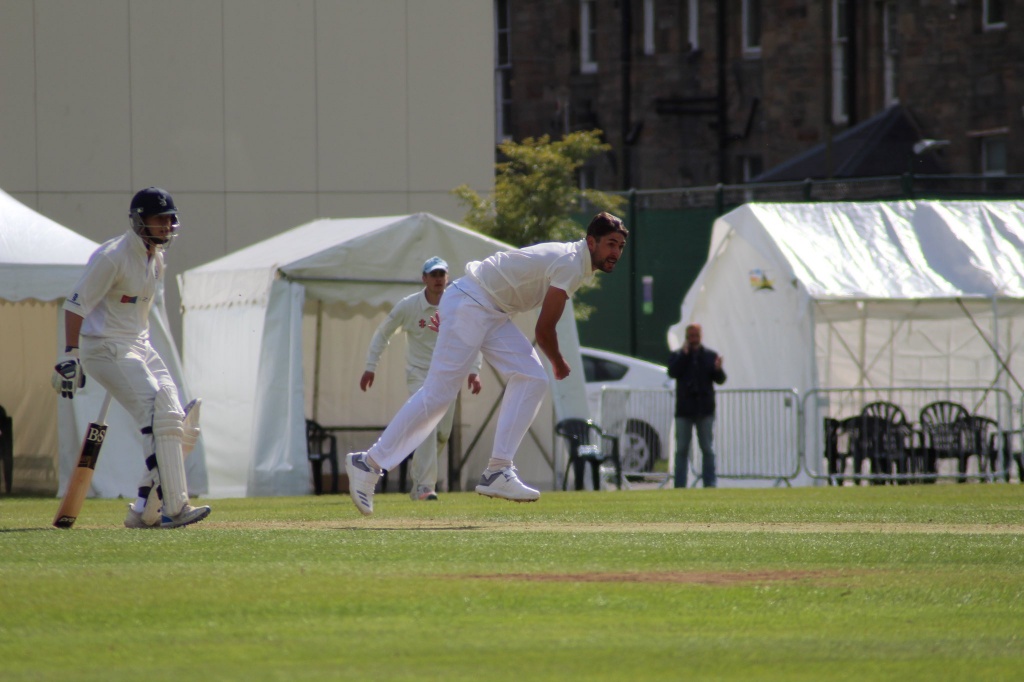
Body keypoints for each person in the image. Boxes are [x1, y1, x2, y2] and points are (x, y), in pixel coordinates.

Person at [345, 212, 628, 516]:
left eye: (621, 246)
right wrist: (558, 362)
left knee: (532, 377)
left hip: (489, 309)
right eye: (611, 244)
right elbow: (543, 332)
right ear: (591, 242)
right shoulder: (572, 264)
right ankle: (369, 463)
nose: (616, 253)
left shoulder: (576, 261)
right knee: (439, 395)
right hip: (472, 302)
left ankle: (498, 470)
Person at [52, 187, 210, 529]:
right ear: (140, 221)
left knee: (173, 418)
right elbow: (75, 305)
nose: (167, 226)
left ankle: (143, 509)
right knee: (159, 413)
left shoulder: (157, 259)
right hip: (105, 348)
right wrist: (70, 354)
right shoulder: (113, 256)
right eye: (160, 219)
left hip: (140, 345)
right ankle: (175, 507)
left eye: (170, 219)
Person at [359, 256, 482, 501]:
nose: (437, 279)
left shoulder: (457, 304)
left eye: (441, 275)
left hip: (448, 377)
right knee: (427, 426)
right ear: (424, 278)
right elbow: (383, 332)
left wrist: (474, 371)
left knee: (441, 434)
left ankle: (418, 485)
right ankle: (425, 487)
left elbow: (473, 335)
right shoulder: (409, 305)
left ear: (447, 278)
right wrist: (371, 366)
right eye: (433, 275)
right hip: (419, 376)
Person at [667, 323, 726, 488]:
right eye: (690, 336)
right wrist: (684, 356)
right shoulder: (678, 355)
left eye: (696, 336)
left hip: (704, 410)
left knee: (707, 448)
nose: (693, 340)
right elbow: (672, 372)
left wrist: (719, 369)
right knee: (681, 450)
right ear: (686, 338)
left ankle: (710, 483)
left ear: (700, 337)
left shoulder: (709, 355)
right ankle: (680, 485)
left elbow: (720, 379)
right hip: (684, 411)